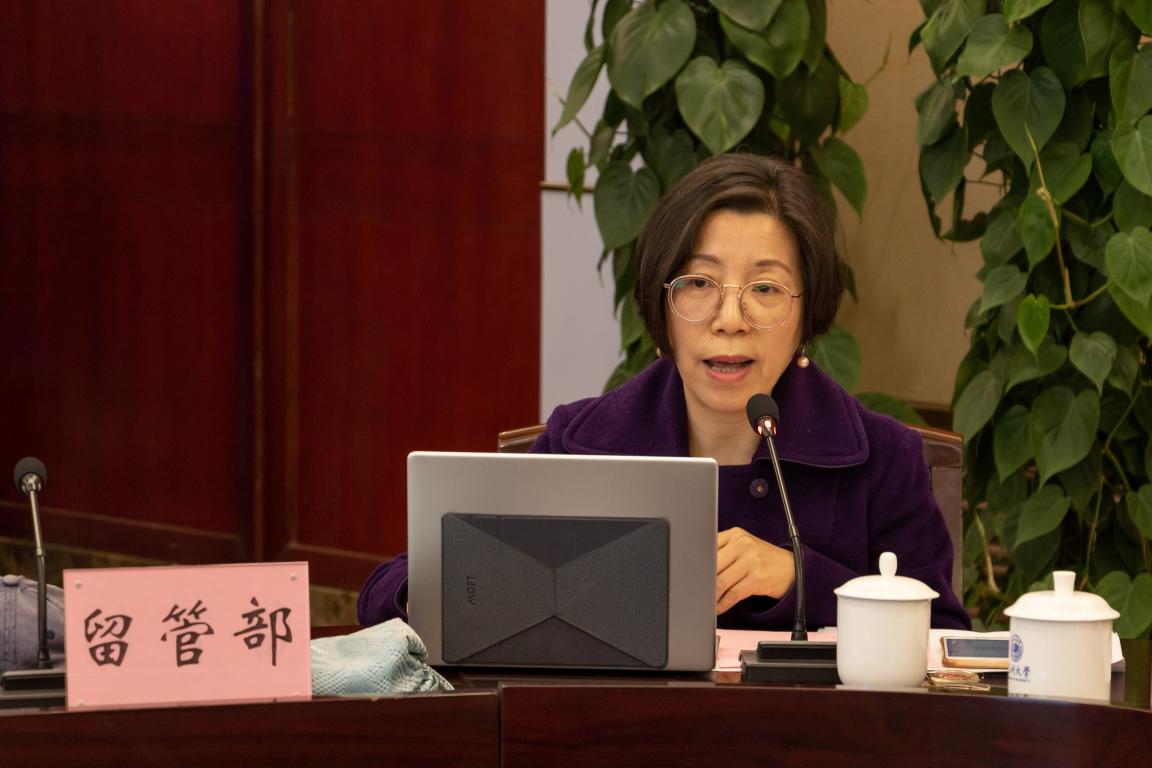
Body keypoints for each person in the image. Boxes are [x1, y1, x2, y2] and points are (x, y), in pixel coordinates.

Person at [358, 153, 971, 631]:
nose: (729, 319)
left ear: (808, 315)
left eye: (765, 289)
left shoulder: (882, 460)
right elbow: (389, 591)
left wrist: (799, 577)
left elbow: (942, 638)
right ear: (663, 307)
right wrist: (482, 587)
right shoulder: (583, 444)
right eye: (699, 283)